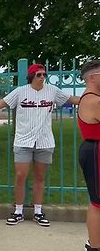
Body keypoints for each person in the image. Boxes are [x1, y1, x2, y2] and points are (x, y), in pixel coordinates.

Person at [0, 63, 80, 227]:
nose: (42, 77)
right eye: (38, 75)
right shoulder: (20, 92)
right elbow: (0, 104)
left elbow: (72, 99)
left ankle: (38, 211)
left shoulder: (53, 91)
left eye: (44, 75)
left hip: (44, 141)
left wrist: (92, 97)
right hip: (23, 141)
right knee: (21, 176)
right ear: (31, 77)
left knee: (40, 177)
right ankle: (18, 211)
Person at [77, 60, 100, 251]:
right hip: (95, 152)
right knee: (97, 202)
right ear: (93, 77)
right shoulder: (93, 101)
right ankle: (94, 246)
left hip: (94, 150)